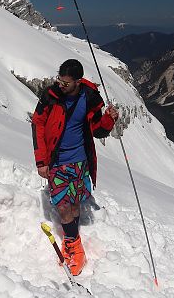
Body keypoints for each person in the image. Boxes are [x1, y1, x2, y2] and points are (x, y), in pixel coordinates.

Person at [31, 59, 119, 275]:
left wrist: (109, 120)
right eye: (59, 80)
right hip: (57, 161)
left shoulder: (89, 99)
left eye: (66, 83)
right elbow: (37, 123)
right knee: (62, 205)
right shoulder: (50, 97)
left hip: (80, 160)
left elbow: (97, 130)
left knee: (75, 201)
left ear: (78, 82)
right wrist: (41, 160)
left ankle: (71, 239)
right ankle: (74, 244)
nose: (61, 86)